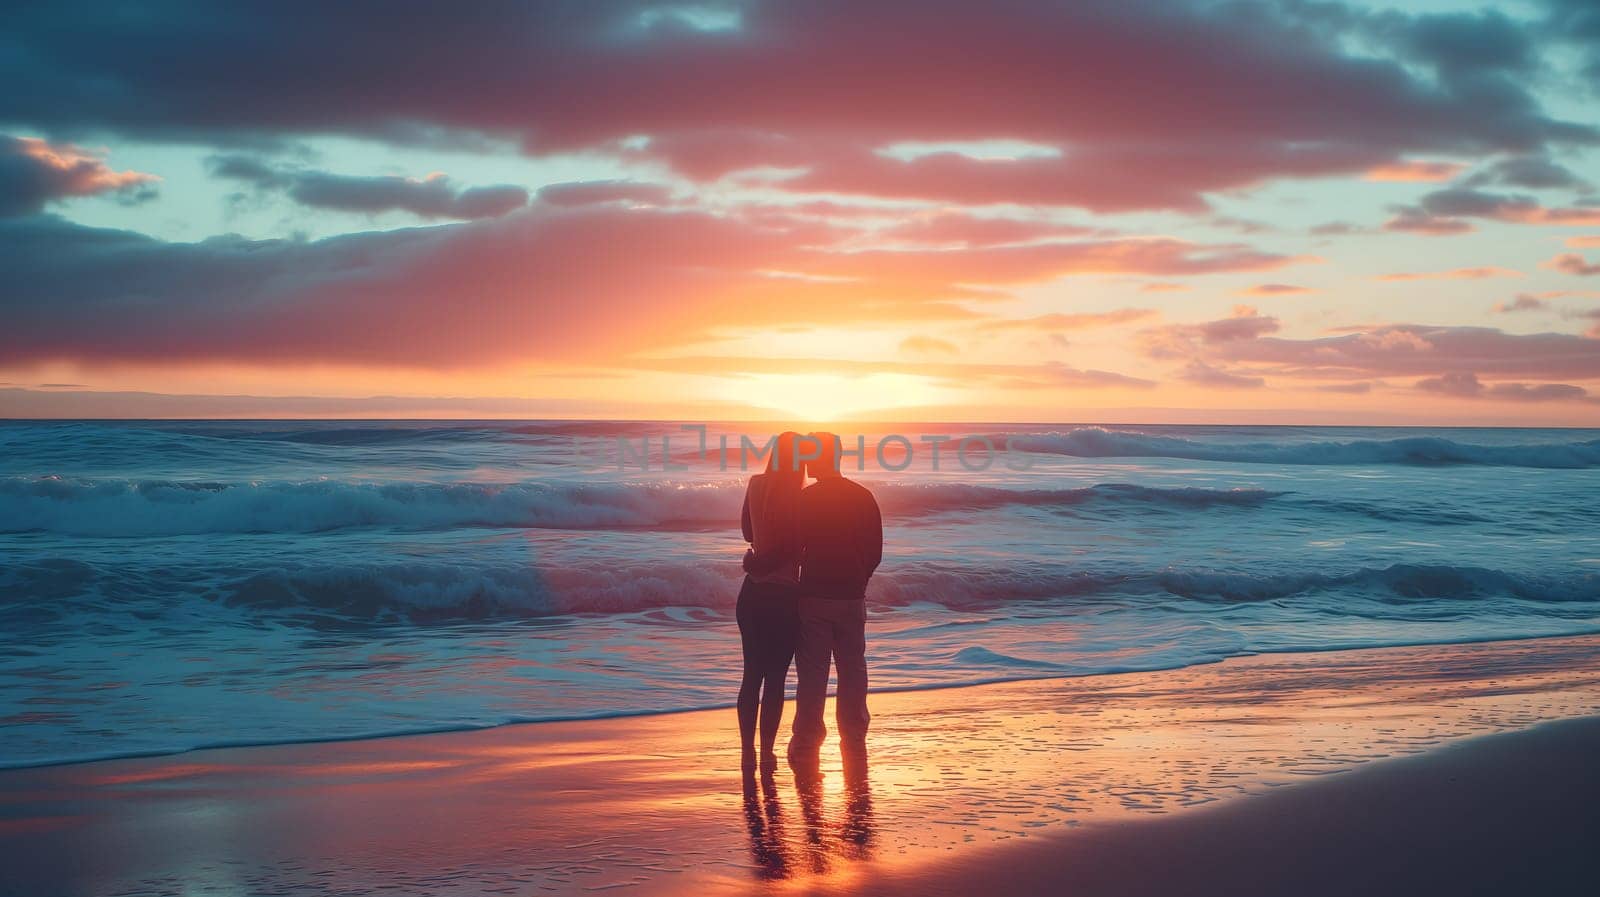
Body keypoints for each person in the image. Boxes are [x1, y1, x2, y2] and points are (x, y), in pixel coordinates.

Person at [786, 432, 883, 766]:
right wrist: (860, 578)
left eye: (809, 456)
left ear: (820, 457)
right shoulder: (862, 496)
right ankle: (854, 734)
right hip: (851, 595)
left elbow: (794, 546)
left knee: (813, 672)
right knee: (853, 668)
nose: (805, 463)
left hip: (814, 593)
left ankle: (807, 738)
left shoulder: (807, 498)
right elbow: (874, 551)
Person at [736, 431, 804, 775]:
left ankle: (747, 753)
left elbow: (748, 532)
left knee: (751, 675)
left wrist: (756, 560)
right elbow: (794, 546)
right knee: (775, 678)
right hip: (782, 595)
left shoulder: (755, 483)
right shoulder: (798, 495)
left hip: (751, 593)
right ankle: (766, 754)